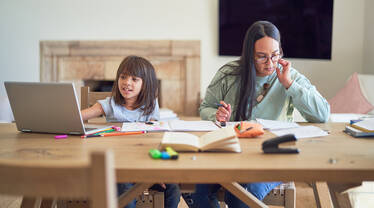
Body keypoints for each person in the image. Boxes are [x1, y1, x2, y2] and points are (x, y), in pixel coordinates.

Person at [183, 21, 330, 208]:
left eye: (275, 55)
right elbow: (205, 107)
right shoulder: (229, 74)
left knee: (240, 194)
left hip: (273, 157)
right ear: (249, 55)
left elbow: (322, 115)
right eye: (262, 57)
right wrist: (217, 116)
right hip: (231, 153)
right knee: (197, 189)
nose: (270, 63)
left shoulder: (289, 75)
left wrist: (289, 85)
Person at [81, 55, 180, 208]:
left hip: (144, 165)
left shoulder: (151, 106)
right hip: (118, 168)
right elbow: (79, 116)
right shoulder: (110, 104)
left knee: (173, 188)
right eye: (123, 77)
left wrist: (157, 170)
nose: (127, 82)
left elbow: (155, 140)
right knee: (125, 189)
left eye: (134, 79)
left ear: (145, 84)